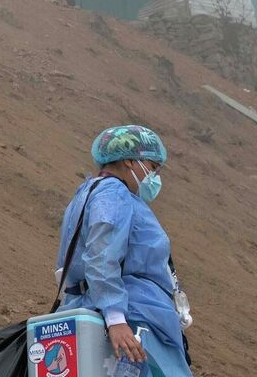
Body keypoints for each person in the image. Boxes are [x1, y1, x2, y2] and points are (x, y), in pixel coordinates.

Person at [55, 125, 193, 376]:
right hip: (134, 320)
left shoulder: (90, 192)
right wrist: (116, 318)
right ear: (130, 160)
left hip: (104, 310)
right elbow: (101, 255)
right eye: (152, 167)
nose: (155, 177)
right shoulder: (114, 194)